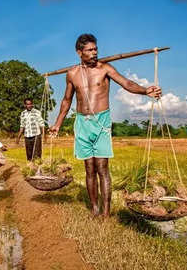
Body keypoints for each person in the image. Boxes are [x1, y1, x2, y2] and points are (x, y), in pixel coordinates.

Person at [49, 33, 162, 217]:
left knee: (102, 167)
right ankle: (94, 208)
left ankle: (106, 212)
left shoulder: (105, 69)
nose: (94, 53)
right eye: (89, 50)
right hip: (82, 122)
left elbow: (126, 83)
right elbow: (66, 100)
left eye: (95, 49)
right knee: (89, 168)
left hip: (101, 122)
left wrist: (144, 90)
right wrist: (57, 124)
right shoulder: (72, 74)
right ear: (79, 52)